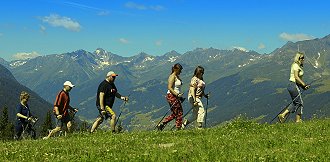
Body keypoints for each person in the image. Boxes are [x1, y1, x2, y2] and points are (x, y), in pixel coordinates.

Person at [278, 52, 310, 123]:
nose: (303, 59)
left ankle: (282, 115)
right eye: (302, 58)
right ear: (298, 58)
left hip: (293, 85)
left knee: (295, 102)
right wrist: (304, 84)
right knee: (300, 102)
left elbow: (298, 79)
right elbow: (296, 77)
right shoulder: (295, 65)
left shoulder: (297, 66)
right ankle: (298, 120)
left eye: (303, 57)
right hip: (293, 85)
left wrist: (303, 87)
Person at [157, 63, 184, 131]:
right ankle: (179, 128)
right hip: (172, 96)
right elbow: (169, 87)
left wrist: (179, 97)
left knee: (175, 113)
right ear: (176, 69)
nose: (180, 71)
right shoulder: (172, 76)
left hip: (175, 96)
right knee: (179, 112)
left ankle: (162, 124)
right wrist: (177, 95)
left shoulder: (177, 76)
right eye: (179, 70)